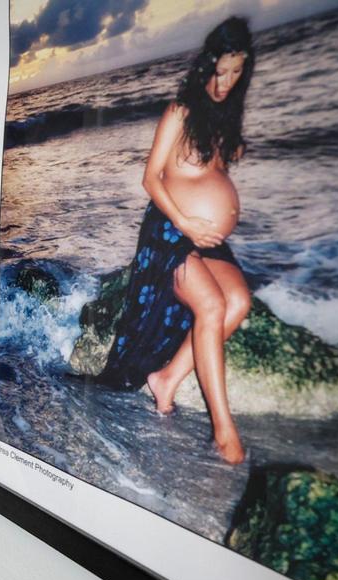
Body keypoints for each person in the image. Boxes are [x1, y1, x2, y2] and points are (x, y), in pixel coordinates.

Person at [96, 17, 255, 464]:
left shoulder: (223, 119)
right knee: (212, 306)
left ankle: (166, 378)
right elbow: (151, 178)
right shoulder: (180, 111)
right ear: (206, 64)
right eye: (219, 71)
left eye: (235, 73)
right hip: (170, 232)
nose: (224, 83)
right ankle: (224, 430)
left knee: (238, 301)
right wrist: (187, 222)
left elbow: (210, 173)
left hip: (206, 240)